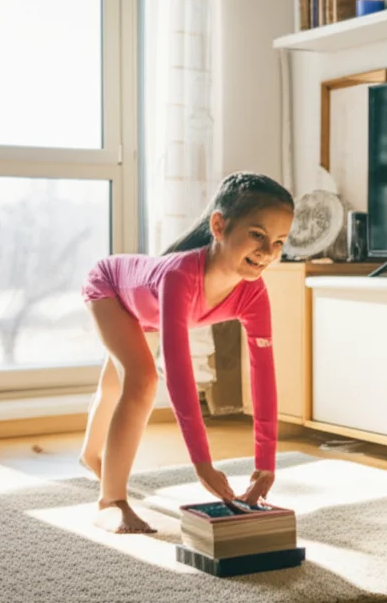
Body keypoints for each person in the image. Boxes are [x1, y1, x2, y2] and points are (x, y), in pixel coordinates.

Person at [77, 171, 295, 533]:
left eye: (279, 242)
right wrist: (202, 464)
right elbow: (178, 374)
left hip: (147, 310)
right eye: (258, 235)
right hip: (110, 289)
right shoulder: (180, 277)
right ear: (219, 226)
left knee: (116, 384)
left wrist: (265, 465)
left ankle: (90, 454)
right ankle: (110, 502)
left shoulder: (254, 294)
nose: (268, 252)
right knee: (141, 380)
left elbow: (263, 378)